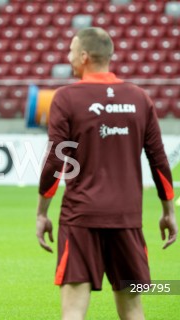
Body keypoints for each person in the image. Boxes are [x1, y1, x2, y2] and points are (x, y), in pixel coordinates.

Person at [36, 27, 178, 320]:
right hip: (127, 220)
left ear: (85, 56)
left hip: (80, 219)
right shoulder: (139, 98)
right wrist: (168, 212)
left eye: (71, 51)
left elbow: (55, 162)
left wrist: (42, 212)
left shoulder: (66, 98)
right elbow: (159, 161)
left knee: (73, 312)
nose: (69, 57)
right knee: (133, 310)